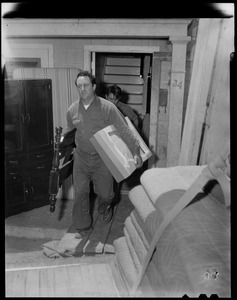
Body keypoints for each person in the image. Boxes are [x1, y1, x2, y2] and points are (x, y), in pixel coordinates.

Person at [66, 71, 143, 238]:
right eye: (79, 86)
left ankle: (105, 206)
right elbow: (71, 131)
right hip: (81, 158)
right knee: (80, 193)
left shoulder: (108, 107)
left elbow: (124, 130)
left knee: (106, 194)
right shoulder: (72, 109)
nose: (83, 89)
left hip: (102, 158)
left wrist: (135, 151)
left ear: (93, 87)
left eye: (86, 85)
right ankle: (83, 226)